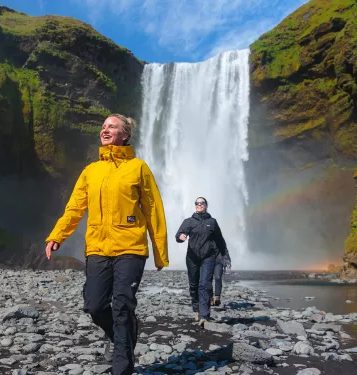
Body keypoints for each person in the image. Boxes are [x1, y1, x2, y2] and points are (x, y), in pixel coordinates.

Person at [44, 114, 169, 375]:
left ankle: (122, 367)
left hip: (131, 247)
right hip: (98, 248)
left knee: (122, 305)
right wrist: (57, 235)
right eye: (103, 127)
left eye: (112, 126)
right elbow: (75, 208)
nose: (105, 130)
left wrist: (160, 253)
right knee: (94, 305)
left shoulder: (139, 168)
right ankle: (124, 334)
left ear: (125, 135)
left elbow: (153, 209)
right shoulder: (91, 171)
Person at [175, 197, 228, 326]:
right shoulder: (189, 222)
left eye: (202, 203)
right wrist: (180, 237)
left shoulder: (212, 222)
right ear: (195, 206)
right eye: (197, 203)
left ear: (206, 205)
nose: (199, 205)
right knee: (194, 285)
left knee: (204, 284)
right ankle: (196, 309)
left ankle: (204, 315)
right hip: (192, 258)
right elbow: (179, 235)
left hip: (208, 258)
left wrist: (225, 255)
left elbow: (220, 240)